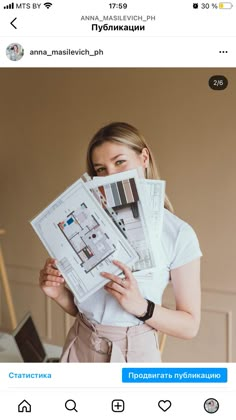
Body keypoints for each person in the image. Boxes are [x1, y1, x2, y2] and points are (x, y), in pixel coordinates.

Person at [39, 122, 202, 362]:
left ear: (143, 158)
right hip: (80, 343)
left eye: (119, 162)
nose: (111, 176)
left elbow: (190, 326)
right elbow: (82, 308)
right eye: (101, 170)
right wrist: (58, 293)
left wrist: (141, 307)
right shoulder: (87, 223)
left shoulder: (178, 233)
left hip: (134, 352)